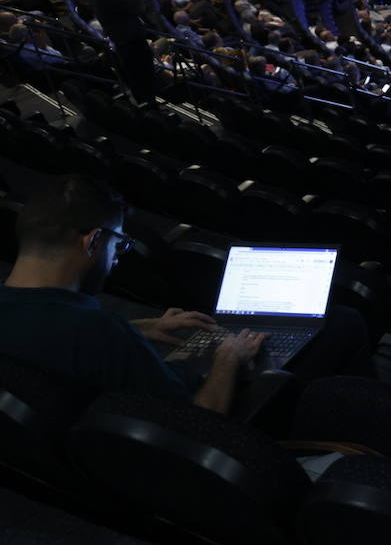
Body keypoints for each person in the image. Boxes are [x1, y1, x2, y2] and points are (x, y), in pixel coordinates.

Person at [0, 176, 262, 414]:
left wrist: (137, 327)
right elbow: (197, 423)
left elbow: (43, 331)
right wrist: (228, 359)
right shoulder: (101, 334)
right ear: (93, 241)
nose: (116, 259)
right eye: (120, 244)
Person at [91, 0, 159, 103]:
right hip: (131, 42)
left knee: (137, 78)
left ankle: (148, 106)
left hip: (123, 41)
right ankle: (151, 108)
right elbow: (139, 7)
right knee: (144, 78)